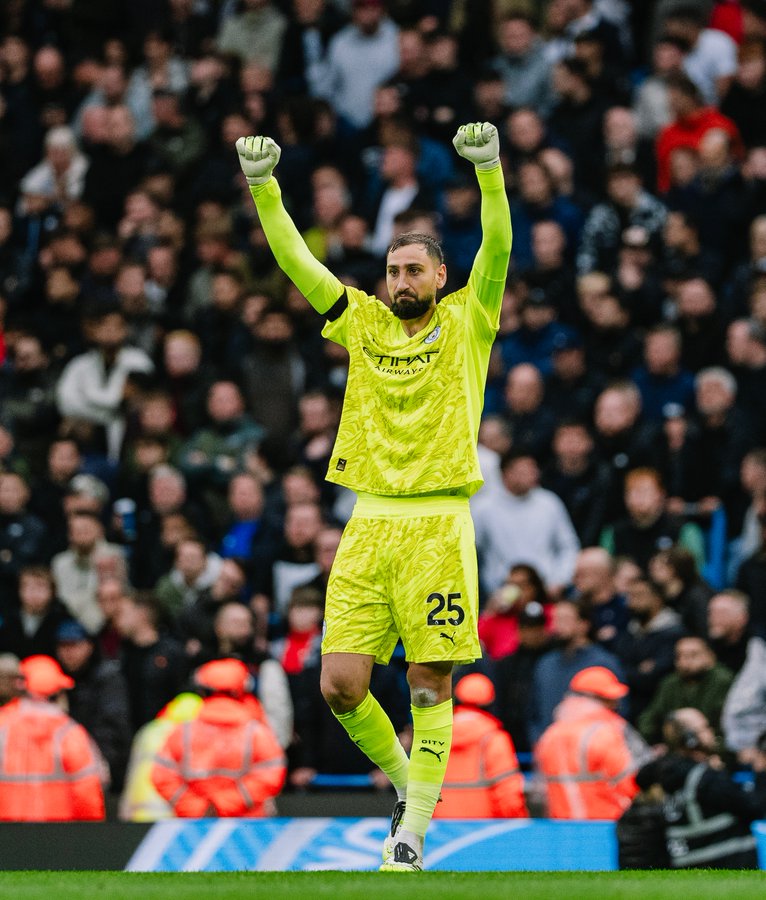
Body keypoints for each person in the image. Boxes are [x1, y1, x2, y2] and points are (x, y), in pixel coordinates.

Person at [236, 120, 511, 871]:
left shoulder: (467, 320)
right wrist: (265, 190)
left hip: (438, 521)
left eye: (414, 271)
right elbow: (297, 263)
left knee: (428, 681)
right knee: (340, 684)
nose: (400, 282)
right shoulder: (361, 322)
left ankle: (411, 837)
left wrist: (488, 171)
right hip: (367, 521)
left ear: (441, 279)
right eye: (393, 271)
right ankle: (409, 789)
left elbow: (500, 247)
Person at [151, 658, 286, 817]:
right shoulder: (256, 732)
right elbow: (271, 775)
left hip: (195, 828)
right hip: (249, 829)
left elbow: (162, 777)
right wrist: (227, 804)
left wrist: (197, 808)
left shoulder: (183, 731)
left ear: (202, 690)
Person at [634, 707, 761, 868]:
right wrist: (761, 770)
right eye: (705, 727)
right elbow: (755, 807)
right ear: (690, 739)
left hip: (687, 863)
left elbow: (642, 776)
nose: (711, 732)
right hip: (725, 862)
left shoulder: (664, 772)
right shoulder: (706, 778)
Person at [0, 655, 106, 820]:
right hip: (56, 836)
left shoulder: (2, 725)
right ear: (57, 693)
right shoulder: (68, 732)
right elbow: (87, 790)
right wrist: (89, 832)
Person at [535, 666, 645, 820]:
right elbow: (629, 783)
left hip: (563, 828)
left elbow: (541, 791)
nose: (615, 705)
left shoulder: (550, 735)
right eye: (611, 699)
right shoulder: (607, 731)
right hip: (607, 826)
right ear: (598, 699)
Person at [433, 673, 527, 819]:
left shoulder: (435, 738)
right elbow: (508, 795)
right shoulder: (494, 739)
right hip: (484, 833)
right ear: (490, 704)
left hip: (440, 831)